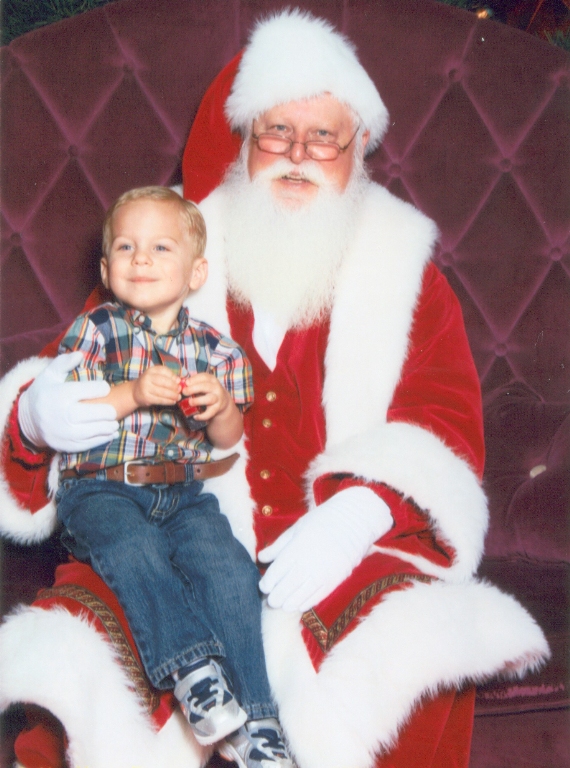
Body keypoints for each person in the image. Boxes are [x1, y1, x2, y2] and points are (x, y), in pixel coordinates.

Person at [0, 10, 549, 768]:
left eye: (323, 138)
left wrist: (358, 513)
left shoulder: (405, 275)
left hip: (336, 549)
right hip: (173, 528)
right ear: (243, 142)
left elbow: (442, 419)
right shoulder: (169, 250)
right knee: (84, 654)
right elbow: (65, 375)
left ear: (358, 149)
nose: (297, 156)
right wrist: (36, 413)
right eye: (276, 133)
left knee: (410, 648)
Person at [53, 185, 294, 768]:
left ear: (196, 272)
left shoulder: (217, 352)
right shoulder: (94, 332)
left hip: (182, 492)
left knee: (229, 567)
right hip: (101, 487)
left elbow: (229, 440)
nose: (141, 258)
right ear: (106, 270)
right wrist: (131, 393)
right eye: (126, 247)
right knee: (134, 547)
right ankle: (194, 673)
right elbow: (66, 414)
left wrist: (222, 408)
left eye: (161, 247)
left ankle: (259, 721)